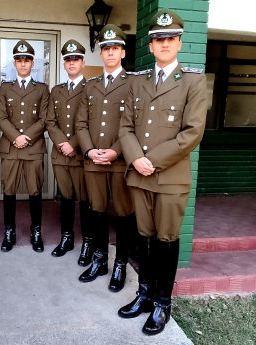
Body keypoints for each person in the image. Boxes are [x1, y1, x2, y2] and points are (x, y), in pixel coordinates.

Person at [117, 8, 207, 335]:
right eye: (158, 39)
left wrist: (151, 160)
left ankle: (162, 303)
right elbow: (124, 127)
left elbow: (192, 133)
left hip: (169, 178)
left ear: (179, 43)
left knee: (166, 240)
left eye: (170, 38)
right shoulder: (138, 82)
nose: (164, 44)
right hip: (139, 176)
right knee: (143, 238)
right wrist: (135, 159)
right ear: (151, 46)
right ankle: (143, 293)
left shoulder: (193, 82)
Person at [75, 24, 137, 292]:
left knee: (123, 214)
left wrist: (115, 151)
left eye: (115, 48)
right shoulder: (90, 86)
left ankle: (120, 264)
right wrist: (89, 151)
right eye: (106, 49)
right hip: (93, 161)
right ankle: (100, 259)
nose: (110, 53)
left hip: (119, 161)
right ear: (101, 54)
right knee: (97, 212)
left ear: (122, 52)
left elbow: (136, 123)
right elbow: (80, 124)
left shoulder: (133, 83)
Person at [0, 40, 49, 253]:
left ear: (32, 62)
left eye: (27, 59)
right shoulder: (6, 87)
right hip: (10, 148)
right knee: (9, 191)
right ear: (14, 63)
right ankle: (10, 231)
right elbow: (1, 116)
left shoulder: (42, 89)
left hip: (33, 147)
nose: (23, 63)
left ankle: (36, 231)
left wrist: (25, 137)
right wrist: (15, 137)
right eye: (19, 60)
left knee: (35, 191)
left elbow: (45, 118)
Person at [45, 39, 92, 259]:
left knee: (84, 200)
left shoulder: (91, 88)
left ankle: (87, 241)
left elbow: (91, 122)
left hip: (81, 154)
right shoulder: (57, 90)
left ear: (82, 62)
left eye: (76, 59)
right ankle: (67, 237)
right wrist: (62, 144)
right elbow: (50, 121)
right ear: (64, 63)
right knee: (65, 198)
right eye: (68, 59)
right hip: (60, 154)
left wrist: (72, 144)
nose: (72, 63)